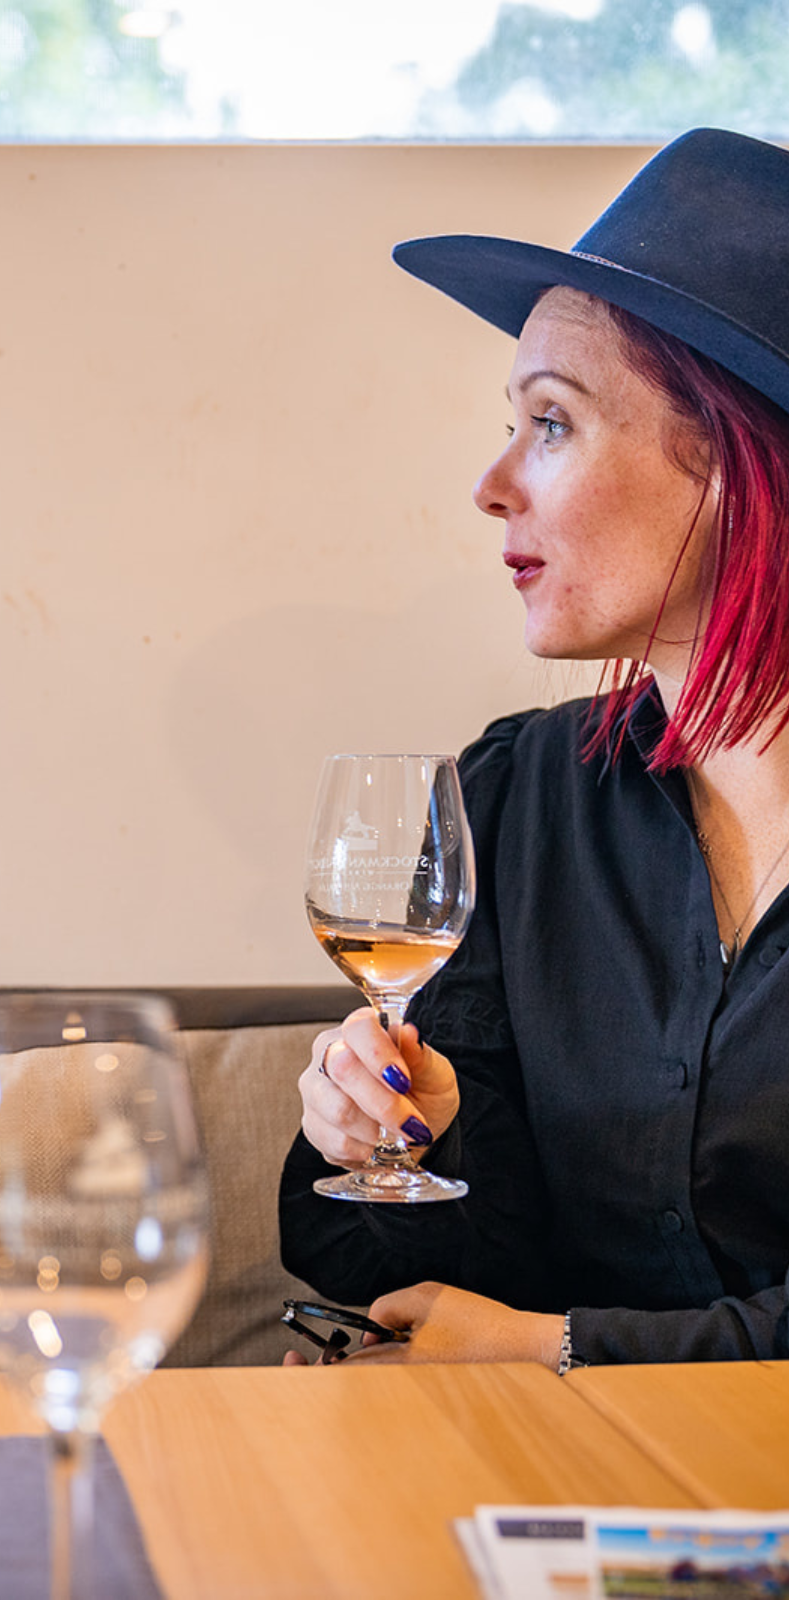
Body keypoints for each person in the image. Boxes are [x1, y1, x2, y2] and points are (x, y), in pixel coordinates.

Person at [280, 126, 789, 1369]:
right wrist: (409, 1134)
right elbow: (400, 1278)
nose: (492, 483)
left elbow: (510, 1332)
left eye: (551, 423)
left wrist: (565, 1348)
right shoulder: (516, 798)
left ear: (730, 461)